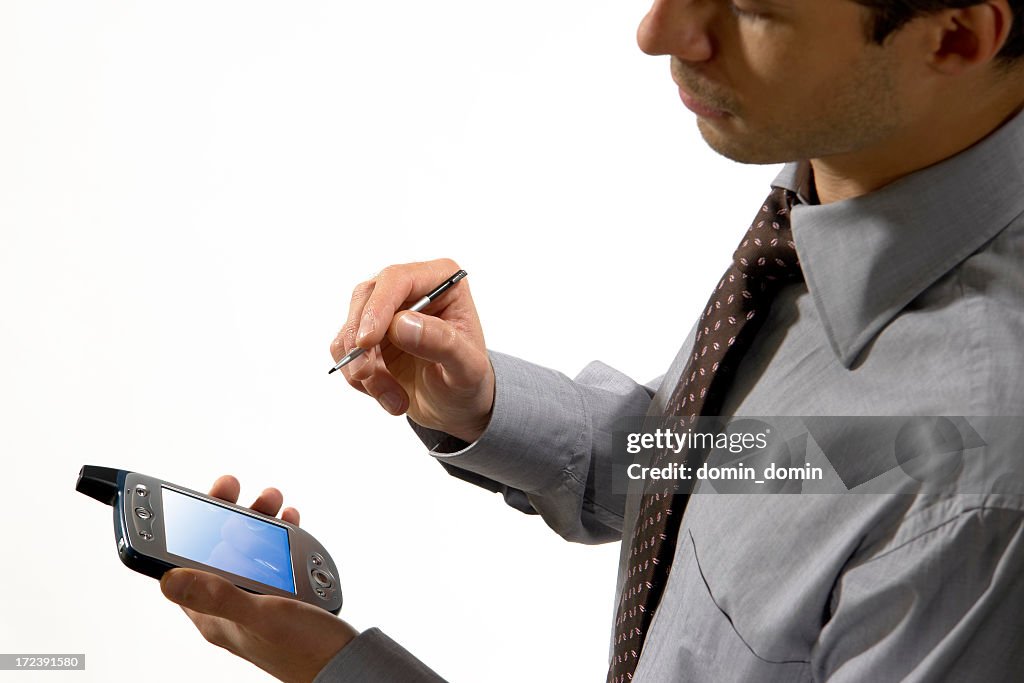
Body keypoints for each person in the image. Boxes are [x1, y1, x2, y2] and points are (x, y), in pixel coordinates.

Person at [159, 0, 1024, 680]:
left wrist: (340, 672)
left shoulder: (980, 485)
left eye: (753, 6)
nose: (658, 31)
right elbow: (760, 467)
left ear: (954, 38)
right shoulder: (858, 177)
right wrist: (486, 404)